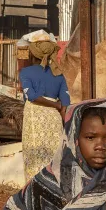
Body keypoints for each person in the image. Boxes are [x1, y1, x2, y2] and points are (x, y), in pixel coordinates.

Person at [18, 38, 69, 179]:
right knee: (55, 157)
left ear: (33, 55)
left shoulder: (26, 72)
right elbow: (65, 105)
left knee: (34, 158)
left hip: (35, 117)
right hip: (54, 119)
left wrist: (55, 105)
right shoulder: (59, 74)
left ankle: (35, 190)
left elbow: (32, 97)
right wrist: (65, 127)